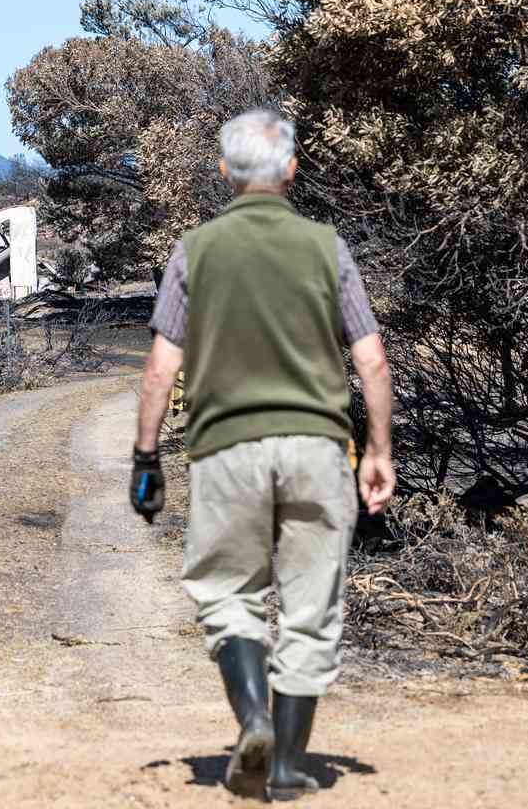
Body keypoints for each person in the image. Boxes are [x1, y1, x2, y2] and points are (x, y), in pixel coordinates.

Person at [131, 109, 395, 802]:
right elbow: (371, 360)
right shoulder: (327, 248)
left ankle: (253, 717)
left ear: (224, 172)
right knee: (311, 604)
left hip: (227, 450)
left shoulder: (194, 251)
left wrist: (146, 458)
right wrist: (378, 451)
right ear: (292, 170)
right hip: (317, 449)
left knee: (228, 592)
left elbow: (160, 367)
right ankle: (285, 766)